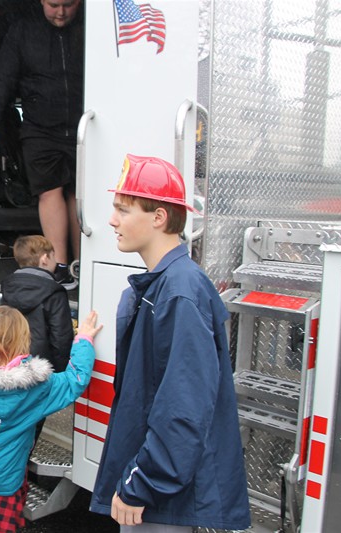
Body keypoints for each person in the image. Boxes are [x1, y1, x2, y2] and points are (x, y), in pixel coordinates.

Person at [89, 155, 250, 531]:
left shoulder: (180, 291)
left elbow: (184, 407)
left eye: (123, 210)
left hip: (162, 500)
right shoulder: (165, 283)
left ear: (159, 217)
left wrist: (141, 483)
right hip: (158, 493)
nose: (112, 221)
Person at [0, 306, 102, 533]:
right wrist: (83, 339)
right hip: (8, 467)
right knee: (6, 518)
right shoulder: (39, 385)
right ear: (24, 338)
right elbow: (76, 379)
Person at [0, 0, 83, 289]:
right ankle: (61, 268)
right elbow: (1, 79)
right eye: (54, 4)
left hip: (84, 125)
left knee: (80, 194)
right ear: (42, 0)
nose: (61, 12)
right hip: (40, 128)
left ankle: (86, 263)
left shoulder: (90, 29)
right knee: (50, 189)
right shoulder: (23, 31)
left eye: (69, 5)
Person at [1, 235, 74, 371]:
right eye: (53, 256)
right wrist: (59, 372)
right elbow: (61, 338)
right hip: (42, 369)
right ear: (45, 259)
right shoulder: (54, 291)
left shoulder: (9, 287)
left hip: (11, 365)